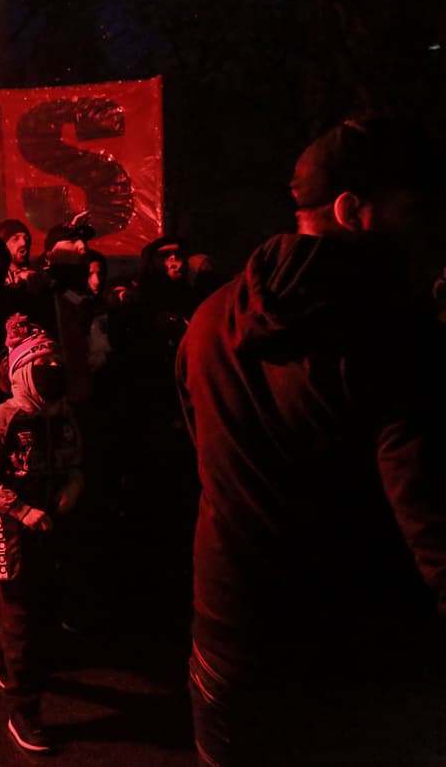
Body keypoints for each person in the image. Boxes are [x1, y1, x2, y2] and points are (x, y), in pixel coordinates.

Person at [177, 117, 446, 765]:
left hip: (224, 632)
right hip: (337, 649)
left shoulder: (211, 318)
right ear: (353, 210)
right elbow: (432, 521)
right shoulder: (392, 337)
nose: (423, 226)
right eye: (408, 209)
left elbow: (201, 449)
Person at [0, 317, 82, 753]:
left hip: (49, 524)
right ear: (21, 371)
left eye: (55, 361)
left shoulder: (61, 414)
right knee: (18, 617)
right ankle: (24, 710)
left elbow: (76, 462)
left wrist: (72, 488)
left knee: (44, 609)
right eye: (41, 362)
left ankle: (2, 656)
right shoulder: (1, 418)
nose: (51, 368)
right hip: (8, 526)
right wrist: (23, 509)